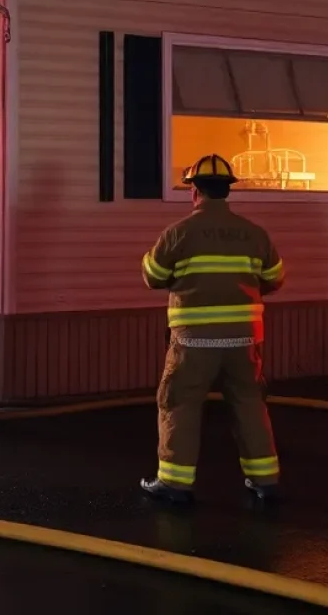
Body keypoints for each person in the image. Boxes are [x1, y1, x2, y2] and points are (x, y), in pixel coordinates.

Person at [139, 154, 285, 505]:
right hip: (245, 340)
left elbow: (152, 277)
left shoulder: (178, 233)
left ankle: (174, 484)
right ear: (227, 191)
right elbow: (275, 279)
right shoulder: (255, 233)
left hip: (194, 341)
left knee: (179, 404)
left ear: (195, 191)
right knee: (250, 404)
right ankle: (265, 481)